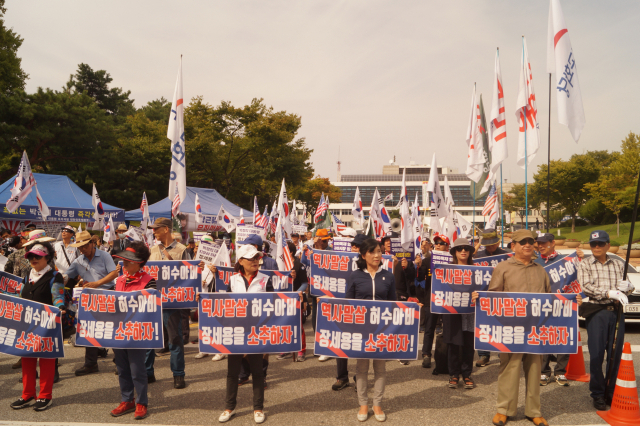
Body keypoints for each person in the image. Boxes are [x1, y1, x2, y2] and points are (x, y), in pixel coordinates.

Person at [472, 230, 553, 426]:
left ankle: (533, 410)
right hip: (511, 329)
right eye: (522, 242)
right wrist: (479, 298)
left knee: (535, 369)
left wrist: (571, 302)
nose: (527, 245)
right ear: (513, 246)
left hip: (535, 329)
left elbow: (550, 299)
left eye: (530, 241)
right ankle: (504, 409)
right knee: (509, 368)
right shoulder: (503, 268)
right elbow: (493, 297)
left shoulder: (541, 270)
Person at [577, 230, 634, 411]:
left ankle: (611, 391)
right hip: (597, 312)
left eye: (601, 244)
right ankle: (598, 393)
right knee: (596, 356)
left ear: (608, 245)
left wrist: (627, 287)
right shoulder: (585, 264)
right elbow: (586, 286)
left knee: (615, 354)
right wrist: (608, 292)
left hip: (616, 312)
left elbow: (628, 286)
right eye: (594, 244)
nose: (597, 247)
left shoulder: (617, 264)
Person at [217, 244, 273, 424]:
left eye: (257, 258)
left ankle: (258, 408)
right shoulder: (232, 280)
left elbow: (275, 304)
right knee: (232, 372)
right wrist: (203, 301)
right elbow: (223, 305)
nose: (256, 261)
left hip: (257, 332)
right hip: (236, 333)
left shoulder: (265, 279)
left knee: (258, 372)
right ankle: (229, 407)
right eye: (251, 258)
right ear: (241, 261)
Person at [10, 242, 66, 412]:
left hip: (47, 324)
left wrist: (60, 308)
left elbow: (58, 296)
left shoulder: (54, 276)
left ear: (47, 258)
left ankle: (45, 396)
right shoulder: (27, 276)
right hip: (27, 324)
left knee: (46, 361)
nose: (33, 260)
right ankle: (27, 394)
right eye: (31, 257)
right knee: (26, 358)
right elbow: (20, 296)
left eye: (37, 256)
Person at [346, 238, 396, 422]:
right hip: (361, 330)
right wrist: (327, 302)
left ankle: (377, 404)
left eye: (379, 252)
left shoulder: (388, 276)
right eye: (372, 252)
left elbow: (394, 303)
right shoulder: (355, 276)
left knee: (380, 368)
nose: (377, 255)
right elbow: (347, 303)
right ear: (363, 255)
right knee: (362, 368)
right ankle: (363, 404)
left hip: (382, 330)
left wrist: (413, 308)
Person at [109, 242, 155, 420]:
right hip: (119, 331)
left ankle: (142, 402)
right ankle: (127, 400)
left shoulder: (149, 281)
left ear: (139, 262)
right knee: (122, 368)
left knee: (137, 370)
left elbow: (150, 307)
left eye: (128, 261)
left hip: (137, 332)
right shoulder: (119, 279)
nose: (123, 263)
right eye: (123, 260)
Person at [145, 217, 191, 389]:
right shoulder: (151, 249)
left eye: (156, 229)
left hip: (172, 301)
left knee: (174, 338)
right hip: (153, 300)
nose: (153, 232)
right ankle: (148, 372)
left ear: (166, 229)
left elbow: (188, 275)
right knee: (149, 338)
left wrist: (171, 261)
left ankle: (178, 374)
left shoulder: (182, 250)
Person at [66, 231, 118, 376]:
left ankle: (119, 362)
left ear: (92, 243)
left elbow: (114, 273)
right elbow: (66, 277)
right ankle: (90, 364)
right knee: (90, 329)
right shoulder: (78, 261)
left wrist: (97, 283)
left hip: (108, 293)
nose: (82, 249)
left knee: (112, 329)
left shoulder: (104, 255)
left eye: (84, 246)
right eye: (80, 247)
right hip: (90, 299)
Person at [530, 233, 570, 387]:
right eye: (538, 243)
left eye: (544, 243)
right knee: (543, 337)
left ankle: (561, 372)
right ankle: (544, 372)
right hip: (542, 306)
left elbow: (574, 282)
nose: (540, 246)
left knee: (563, 337)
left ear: (553, 243)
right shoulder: (535, 261)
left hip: (563, 306)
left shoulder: (564, 261)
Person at [332, 233, 368, 391]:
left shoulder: (370, 265)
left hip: (361, 309)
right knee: (341, 341)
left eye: (358, 246)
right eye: (353, 244)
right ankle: (342, 377)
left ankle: (359, 377)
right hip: (342, 307)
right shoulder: (340, 261)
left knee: (361, 344)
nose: (354, 247)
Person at [473, 229, 511, 367]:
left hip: (502, 295)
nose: (490, 247)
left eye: (493, 244)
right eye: (488, 245)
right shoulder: (478, 256)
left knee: (502, 325)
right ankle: (484, 355)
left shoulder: (507, 255)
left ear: (498, 242)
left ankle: (503, 354)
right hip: (483, 295)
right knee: (483, 325)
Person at [443, 238, 476, 390]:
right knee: (453, 344)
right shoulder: (446, 269)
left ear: (470, 252)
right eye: (459, 248)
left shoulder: (477, 270)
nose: (463, 251)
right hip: (452, 310)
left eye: (466, 249)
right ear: (454, 252)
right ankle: (454, 374)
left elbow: (483, 289)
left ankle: (467, 373)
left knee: (469, 344)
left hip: (470, 312)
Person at [421, 234, 450, 368]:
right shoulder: (427, 261)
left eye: (441, 243)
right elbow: (419, 279)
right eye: (436, 242)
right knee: (429, 329)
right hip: (430, 300)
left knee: (449, 328)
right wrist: (417, 265)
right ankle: (426, 354)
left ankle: (448, 354)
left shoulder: (452, 261)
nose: (437, 245)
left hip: (448, 300)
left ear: (447, 247)